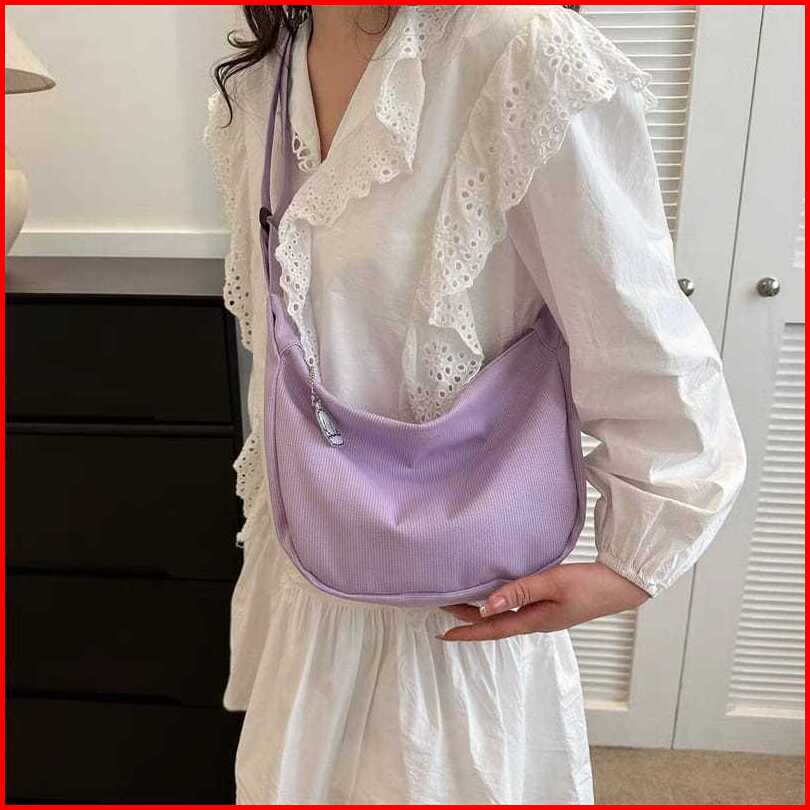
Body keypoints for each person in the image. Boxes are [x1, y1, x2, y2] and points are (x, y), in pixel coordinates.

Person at [204, 5, 747, 804]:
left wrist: (636, 563)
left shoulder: (518, 51)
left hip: (457, 625)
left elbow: (640, 335)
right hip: (306, 597)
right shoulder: (262, 81)